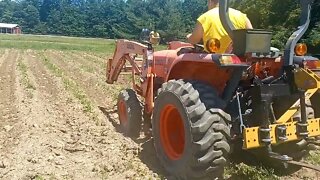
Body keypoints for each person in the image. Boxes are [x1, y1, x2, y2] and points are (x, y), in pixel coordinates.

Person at [187, 0, 253, 53]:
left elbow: (194, 40)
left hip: (213, 62)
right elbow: (252, 37)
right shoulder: (242, 16)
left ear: (210, 1)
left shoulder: (204, 18)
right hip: (239, 59)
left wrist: (189, 36)